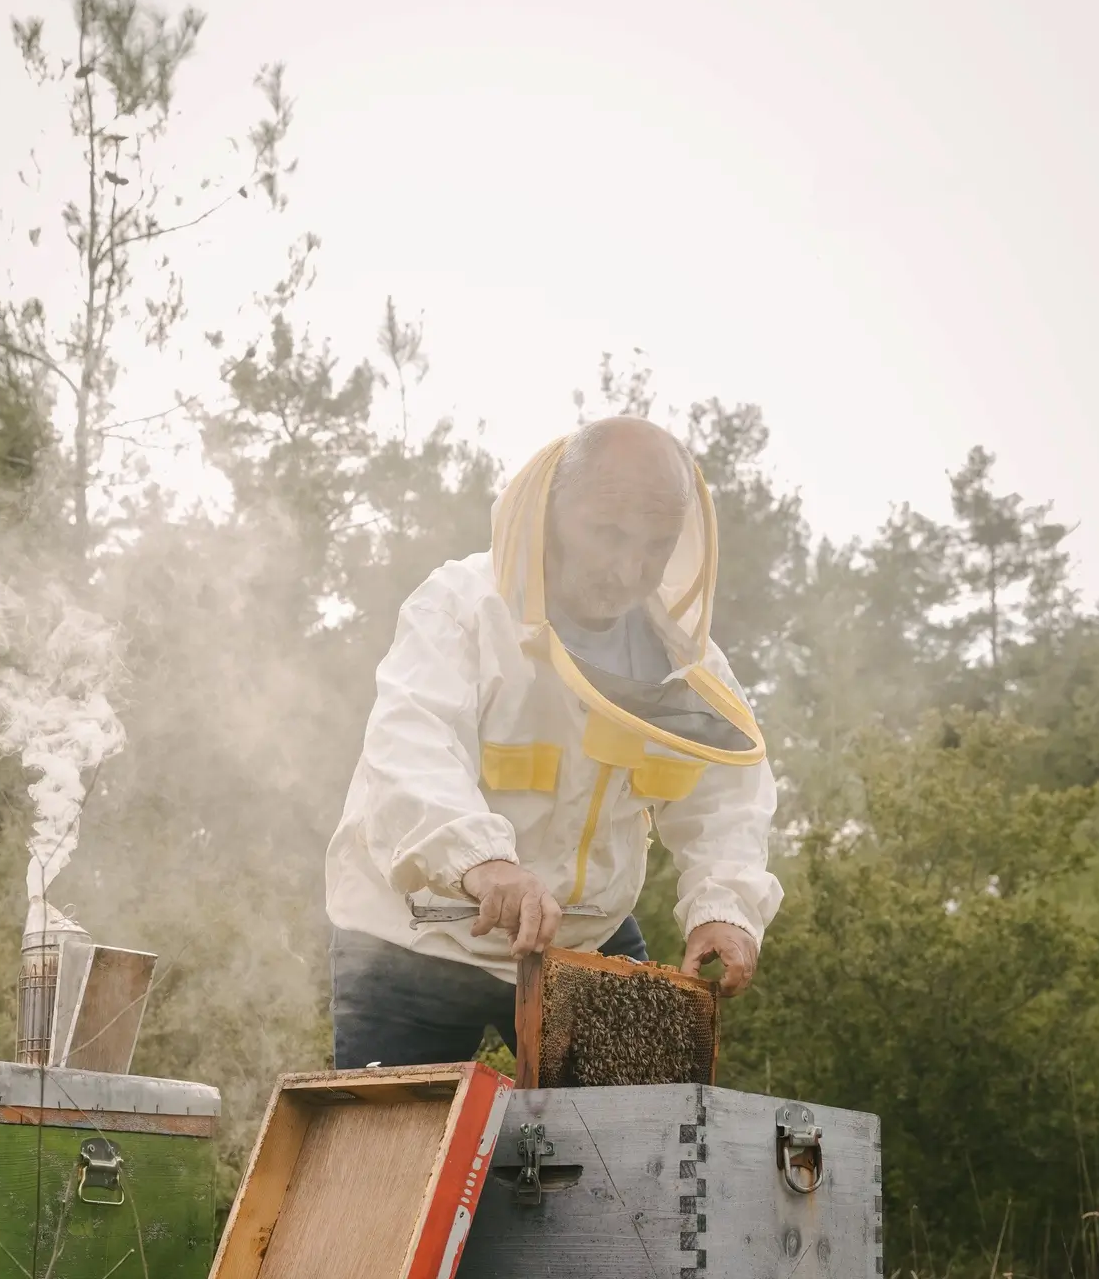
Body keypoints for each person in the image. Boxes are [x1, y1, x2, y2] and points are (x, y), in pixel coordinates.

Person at [325, 416, 783, 1068]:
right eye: (608, 534)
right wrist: (486, 865)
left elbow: (726, 797)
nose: (631, 569)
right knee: (394, 1155)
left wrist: (724, 908)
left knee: (636, 1153)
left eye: (656, 544)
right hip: (414, 936)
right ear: (551, 515)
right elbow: (411, 746)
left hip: (582, 937)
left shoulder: (682, 661)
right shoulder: (460, 607)